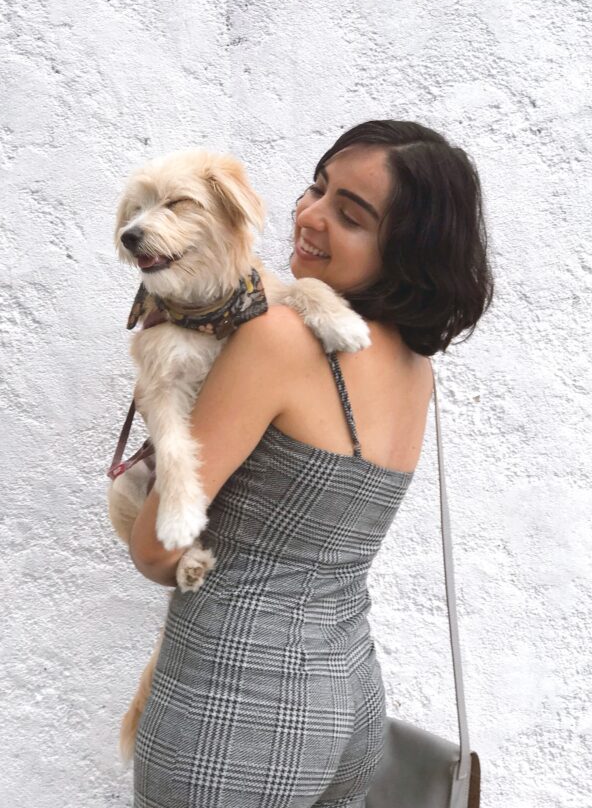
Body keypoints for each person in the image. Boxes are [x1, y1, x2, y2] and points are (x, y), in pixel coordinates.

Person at [128, 119, 494, 807]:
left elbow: (157, 549)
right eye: (317, 188)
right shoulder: (415, 371)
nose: (311, 216)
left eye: (351, 216)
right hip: (351, 703)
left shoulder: (279, 339)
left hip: (235, 709)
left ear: (406, 250)